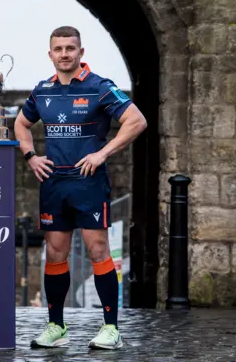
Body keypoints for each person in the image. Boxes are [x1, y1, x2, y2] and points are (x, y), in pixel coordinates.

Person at [14, 26, 147, 350]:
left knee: (98, 251)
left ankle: (111, 328)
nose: (64, 54)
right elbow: (20, 123)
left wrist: (102, 153)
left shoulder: (100, 87)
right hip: (54, 183)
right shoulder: (42, 91)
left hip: (88, 182)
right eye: (58, 49)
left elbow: (137, 120)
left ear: (80, 52)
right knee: (56, 254)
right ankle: (56, 326)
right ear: (50, 54)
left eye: (70, 48)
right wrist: (31, 156)